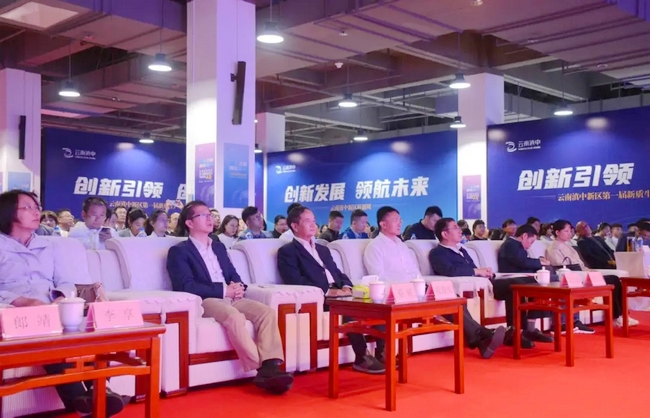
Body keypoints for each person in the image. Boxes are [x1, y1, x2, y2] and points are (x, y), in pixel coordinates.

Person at [0, 190, 128, 417]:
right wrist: (22, 301)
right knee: (47, 335)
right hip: (16, 312)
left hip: (52, 309)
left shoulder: (48, 246)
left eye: (37, 207)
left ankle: (94, 393)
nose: (36, 212)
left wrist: (61, 297)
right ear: (9, 212)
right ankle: (90, 397)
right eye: (28, 207)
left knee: (91, 328)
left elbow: (66, 281)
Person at [166, 201, 293, 394]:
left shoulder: (218, 247)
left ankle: (271, 364)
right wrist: (224, 291)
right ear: (189, 223)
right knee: (234, 316)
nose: (210, 218)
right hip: (205, 300)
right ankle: (261, 368)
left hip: (232, 297)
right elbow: (185, 285)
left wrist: (239, 286)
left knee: (266, 312)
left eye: (210, 214)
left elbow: (232, 274)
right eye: (203, 215)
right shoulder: (179, 251)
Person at [364, 209, 505, 359]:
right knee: (448, 299)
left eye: (400, 219)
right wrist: (408, 286)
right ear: (383, 224)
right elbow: (378, 277)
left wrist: (419, 285)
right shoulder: (375, 247)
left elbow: (415, 271)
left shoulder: (402, 245)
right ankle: (482, 336)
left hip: (416, 289)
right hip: (398, 292)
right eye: (396, 220)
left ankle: (479, 338)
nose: (400, 223)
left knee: (454, 299)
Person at [277, 206, 385, 373]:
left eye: (314, 221)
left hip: (340, 293)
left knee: (377, 305)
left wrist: (347, 286)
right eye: (307, 221)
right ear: (295, 226)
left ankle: (383, 352)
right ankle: (362, 357)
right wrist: (328, 292)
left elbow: (337, 273)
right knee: (346, 310)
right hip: (320, 297)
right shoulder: (287, 252)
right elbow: (295, 281)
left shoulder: (323, 249)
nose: (313, 225)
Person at [500, 224, 594, 334]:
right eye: (531, 242)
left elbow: (522, 261)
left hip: (524, 275)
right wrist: (539, 262)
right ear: (524, 236)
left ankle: (567, 321)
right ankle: (561, 322)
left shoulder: (516, 245)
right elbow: (520, 261)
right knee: (557, 279)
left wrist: (539, 262)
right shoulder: (510, 244)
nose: (530, 246)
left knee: (556, 278)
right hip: (515, 276)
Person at [546, 220, 637, 328]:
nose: (569, 233)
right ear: (557, 232)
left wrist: (589, 270)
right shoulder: (553, 248)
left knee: (615, 279)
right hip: (572, 277)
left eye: (570, 231)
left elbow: (581, 264)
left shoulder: (569, 247)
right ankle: (615, 317)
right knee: (610, 280)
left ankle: (622, 315)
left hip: (581, 273)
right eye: (566, 231)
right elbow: (561, 267)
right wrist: (584, 271)